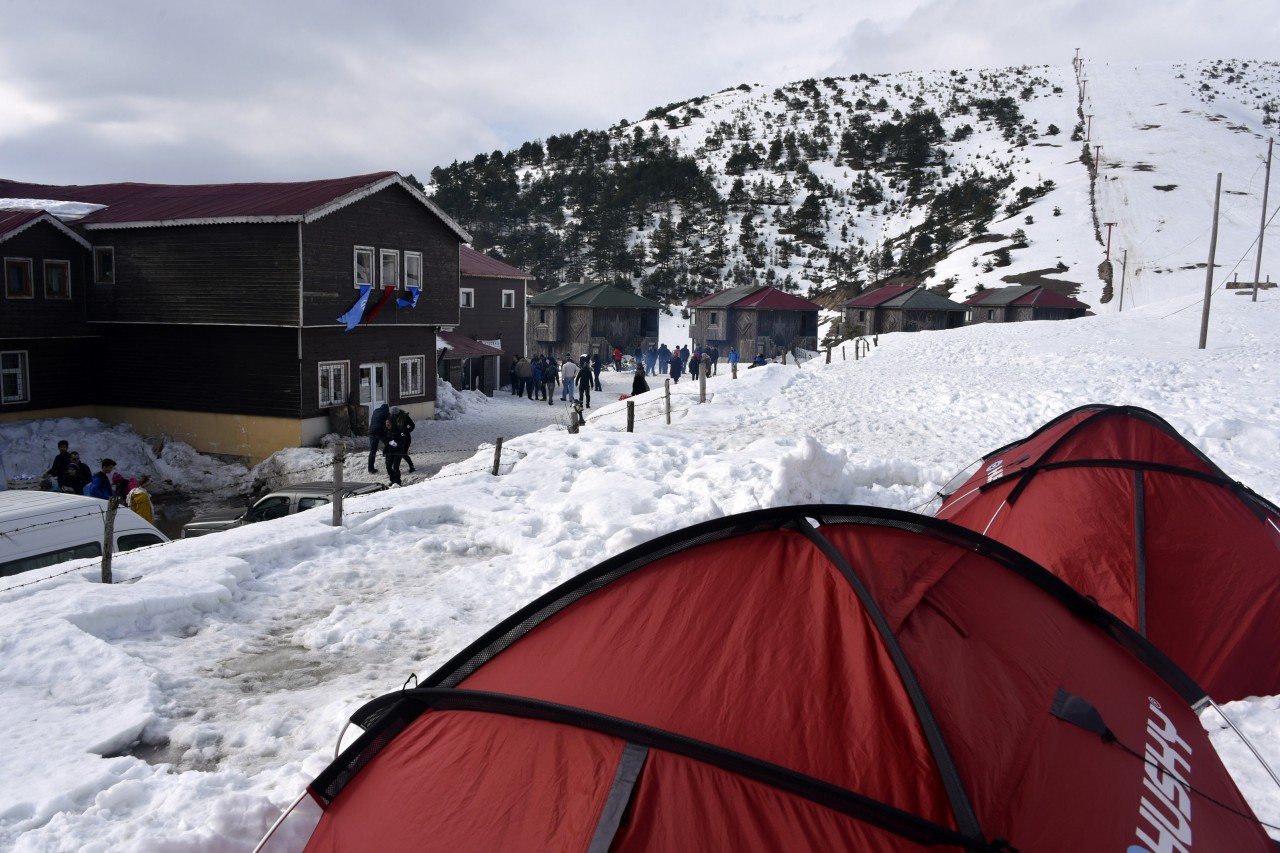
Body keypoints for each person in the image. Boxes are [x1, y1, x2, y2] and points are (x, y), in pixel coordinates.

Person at [384, 408, 408, 486]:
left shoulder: (399, 429)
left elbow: (402, 441)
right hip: (390, 451)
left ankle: (397, 482)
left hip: (398, 451)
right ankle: (392, 479)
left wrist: (395, 443)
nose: (387, 426)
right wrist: (385, 450)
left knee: (395, 467)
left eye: (389, 424)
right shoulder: (387, 431)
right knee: (388, 466)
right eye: (386, 424)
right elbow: (387, 441)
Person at [368, 401, 390, 473]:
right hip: (380, 432)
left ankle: (370, 468)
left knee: (373, 451)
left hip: (371, 432)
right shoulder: (387, 413)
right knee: (388, 445)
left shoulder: (375, 411)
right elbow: (389, 424)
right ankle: (387, 463)